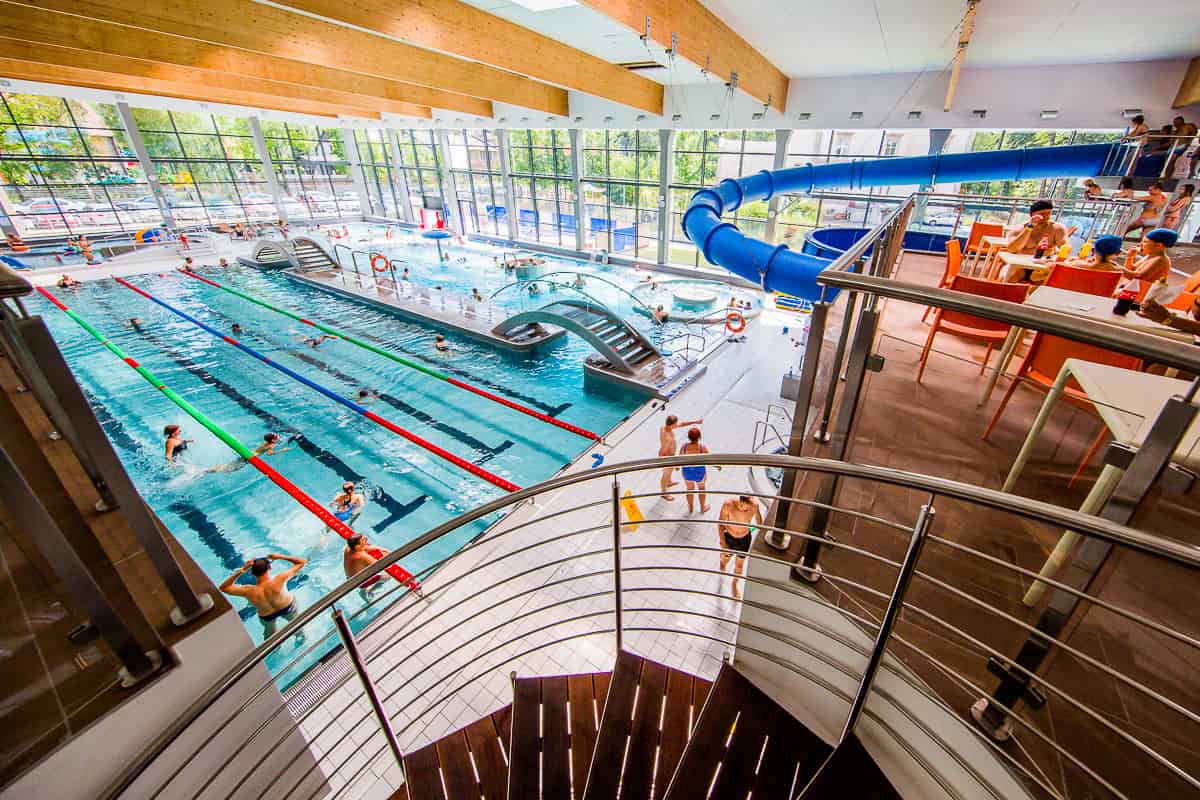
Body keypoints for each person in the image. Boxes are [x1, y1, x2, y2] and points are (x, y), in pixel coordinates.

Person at [220, 553, 307, 636]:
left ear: (252, 573)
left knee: (270, 634)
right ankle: (300, 637)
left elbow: (224, 587)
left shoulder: (248, 590)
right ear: (270, 567)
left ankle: (272, 645)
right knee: (297, 625)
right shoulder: (279, 579)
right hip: (288, 607)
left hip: (267, 616)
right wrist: (280, 556)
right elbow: (302, 562)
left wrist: (243, 569)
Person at [718, 495, 762, 601]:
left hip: (744, 540)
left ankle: (734, 585)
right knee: (725, 560)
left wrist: (757, 512)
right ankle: (722, 564)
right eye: (745, 508)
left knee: (739, 566)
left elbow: (760, 523)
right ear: (741, 503)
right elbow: (720, 524)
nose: (747, 510)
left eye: (749, 508)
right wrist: (723, 543)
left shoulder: (754, 506)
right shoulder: (728, 505)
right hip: (729, 538)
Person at [1119, 227, 1177, 301]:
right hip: (1130, 291)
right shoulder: (1149, 256)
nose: (1140, 244)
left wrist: (1118, 268)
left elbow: (1139, 277)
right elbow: (1131, 269)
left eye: (1145, 242)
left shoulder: (1160, 260)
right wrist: (1129, 257)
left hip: (1140, 297)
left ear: (1159, 245)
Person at [658, 414, 702, 500]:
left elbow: (682, 424)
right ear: (672, 424)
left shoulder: (665, 427)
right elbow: (664, 451)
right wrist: (671, 462)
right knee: (665, 475)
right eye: (676, 424)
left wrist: (695, 422)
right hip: (667, 458)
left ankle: (669, 482)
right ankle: (664, 493)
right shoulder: (667, 437)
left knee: (668, 473)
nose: (677, 425)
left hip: (670, 455)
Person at [679, 427, 717, 514]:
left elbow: (679, 459)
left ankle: (690, 508)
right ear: (699, 437)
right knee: (701, 489)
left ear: (688, 437)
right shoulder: (702, 448)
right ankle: (702, 508)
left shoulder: (684, 447)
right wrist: (717, 466)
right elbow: (710, 460)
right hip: (699, 473)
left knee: (689, 490)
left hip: (687, 472)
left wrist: (677, 468)